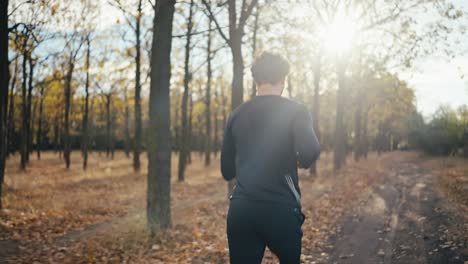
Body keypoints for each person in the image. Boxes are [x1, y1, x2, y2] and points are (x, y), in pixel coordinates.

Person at [221, 51, 321, 264]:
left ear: (256, 80)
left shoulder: (236, 114)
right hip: (281, 209)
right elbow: (309, 154)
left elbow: (227, 171)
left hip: (242, 211)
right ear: (283, 79)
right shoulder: (296, 111)